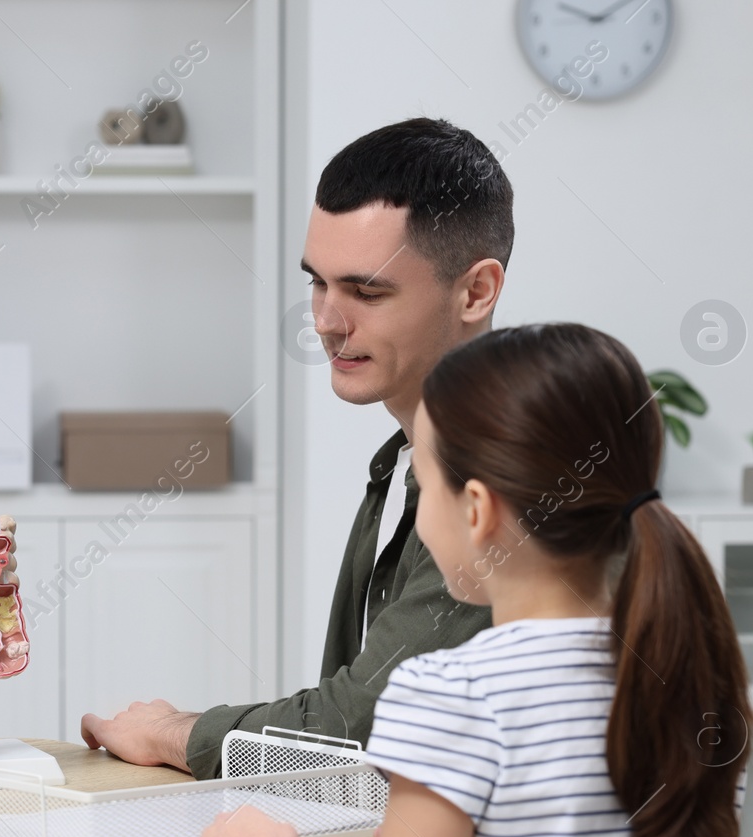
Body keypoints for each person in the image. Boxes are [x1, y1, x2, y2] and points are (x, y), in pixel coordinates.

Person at [193, 323, 753, 837]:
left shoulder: (452, 694)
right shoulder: (696, 689)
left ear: (478, 510)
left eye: (423, 483)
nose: (420, 508)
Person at [81, 118, 509, 780]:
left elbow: (360, 724)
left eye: (367, 291)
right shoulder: (401, 464)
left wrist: (174, 733)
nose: (327, 322)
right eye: (319, 282)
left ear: (476, 291)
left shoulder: (501, 475)